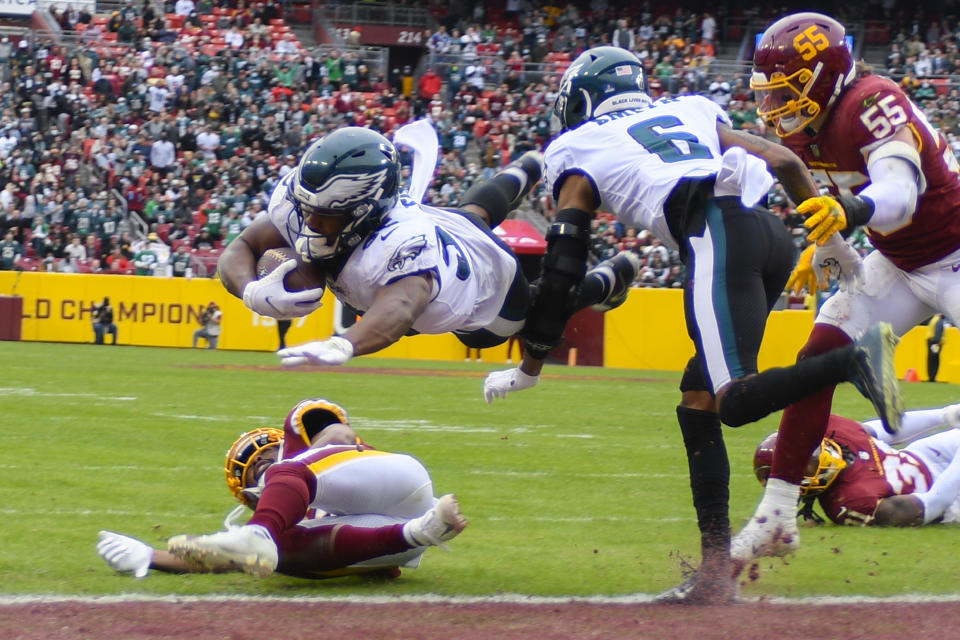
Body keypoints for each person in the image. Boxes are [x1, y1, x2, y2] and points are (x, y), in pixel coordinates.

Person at [481, 46, 903, 604]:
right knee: (697, 402)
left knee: (732, 400)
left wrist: (530, 365)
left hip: (714, 235)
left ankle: (855, 360)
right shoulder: (691, 109)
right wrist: (837, 250)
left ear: (582, 98)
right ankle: (712, 578)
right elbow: (783, 162)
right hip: (767, 234)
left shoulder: (576, 146)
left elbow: (561, 273)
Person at [731, 12, 960, 573]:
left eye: (786, 92)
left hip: (954, 254)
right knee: (820, 356)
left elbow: (899, 196)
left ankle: (930, 504)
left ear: (822, 77)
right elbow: (849, 204)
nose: (775, 108)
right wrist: (825, 247)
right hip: (902, 262)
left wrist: (850, 213)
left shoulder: (872, 99)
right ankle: (778, 513)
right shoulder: (805, 130)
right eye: (771, 94)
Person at [216, 121, 640, 368]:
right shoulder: (310, 204)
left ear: (364, 208)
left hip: (485, 285)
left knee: (535, 312)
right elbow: (242, 246)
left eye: (325, 213)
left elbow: (399, 309)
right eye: (307, 207)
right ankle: (526, 169)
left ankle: (604, 282)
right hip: (442, 227)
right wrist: (251, 289)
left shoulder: (399, 244)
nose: (308, 221)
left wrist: (343, 343)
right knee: (470, 215)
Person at [97, 398, 468, 578]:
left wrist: (317, 447)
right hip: (395, 540)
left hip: (393, 482)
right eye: (252, 472)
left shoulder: (297, 447)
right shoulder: (279, 514)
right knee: (275, 553)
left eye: (263, 459)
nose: (261, 470)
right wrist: (149, 557)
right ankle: (425, 530)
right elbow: (219, 559)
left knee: (270, 523)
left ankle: (258, 533)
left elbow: (336, 430)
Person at [751, 402, 960, 527]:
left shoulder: (831, 430)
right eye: (804, 466)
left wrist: (945, 415)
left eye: (809, 450)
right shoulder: (848, 501)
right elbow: (932, 505)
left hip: (922, 455)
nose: (816, 458)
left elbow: (880, 430)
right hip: (948, 498)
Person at [926, 314, 948, 382]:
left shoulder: (933, 319)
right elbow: (938, 331)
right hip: (935, 342)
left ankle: (930, 377)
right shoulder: (939, 321)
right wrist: (938, 342)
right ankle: (933, 377)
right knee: (935, 360)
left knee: (930, 360)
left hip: (930, 340)